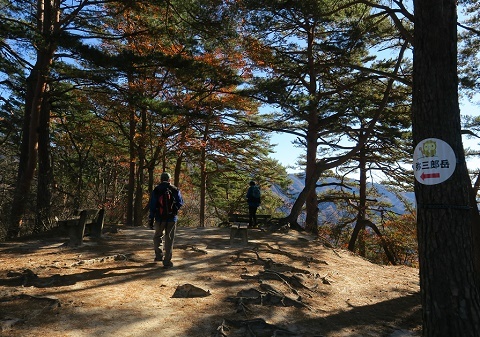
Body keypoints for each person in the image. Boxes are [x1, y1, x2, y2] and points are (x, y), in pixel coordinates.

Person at [149, 172, 184, 268]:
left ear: (161, 179)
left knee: (157, 237)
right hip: (172, 219)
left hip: (159, 218)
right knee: (169, 239)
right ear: (170, 179)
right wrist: (174, 210)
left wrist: (151, 218)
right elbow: (180, 202)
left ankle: (159, 256)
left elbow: (152, 205)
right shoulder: (175, 189)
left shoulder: (156, 190)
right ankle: (167, 262)